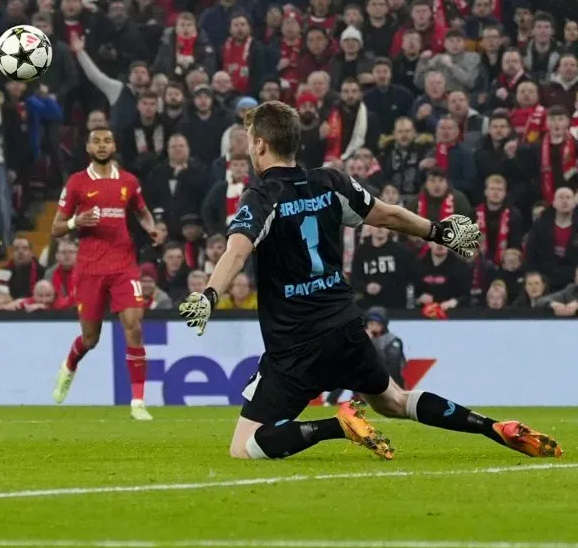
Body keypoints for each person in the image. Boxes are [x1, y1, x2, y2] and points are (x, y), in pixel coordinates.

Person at [179, 101, 562, 461]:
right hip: (345, 327)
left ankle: (337, 424)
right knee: (394, 400)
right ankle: (493, 427)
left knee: (244, 447)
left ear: (260, 144)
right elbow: (387, 215)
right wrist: (438, 231)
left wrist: (210, 294)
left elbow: (237, 251)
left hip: (295, 344)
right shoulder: (331, 181)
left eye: (250, 141)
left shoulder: (261, 196)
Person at [49, 127, 166, 421]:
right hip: (89, 268)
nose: (102, 146)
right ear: (88, 148)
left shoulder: (129, 181)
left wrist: (151, 228)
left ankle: (138, 402)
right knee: (90, 339)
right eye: (96, 141)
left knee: (134, 325)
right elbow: (56, 227)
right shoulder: (77, 183)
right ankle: (70, 365)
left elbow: (141, 211)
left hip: (124, 265)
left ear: (114, 145)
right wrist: (77, 220)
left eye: (107, 141)